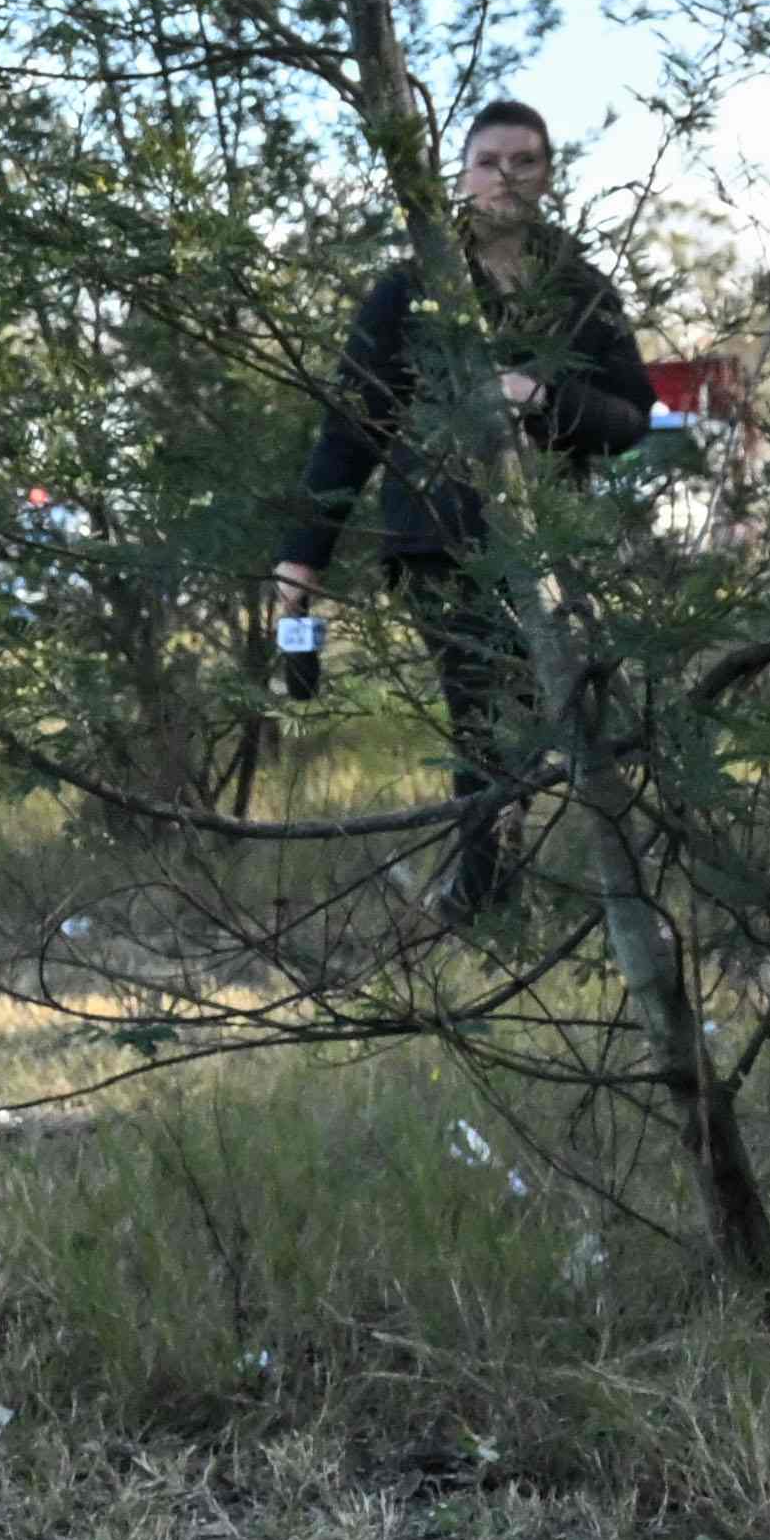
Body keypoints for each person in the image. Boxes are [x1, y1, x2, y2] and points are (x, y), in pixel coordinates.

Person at [269, 97, 655, 924]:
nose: (507, 177)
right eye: (490, 161)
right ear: (462, 175)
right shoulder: (411, 290)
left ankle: (492, 885)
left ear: (549, 175)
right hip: (440, 537)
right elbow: (351, 429)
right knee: (484, 708)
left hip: (549, 537)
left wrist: (543, 396)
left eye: (526, 161)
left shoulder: (581, 290)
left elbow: (630, 420)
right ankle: (483, 895)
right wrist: (301, 560)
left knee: (532, 712)